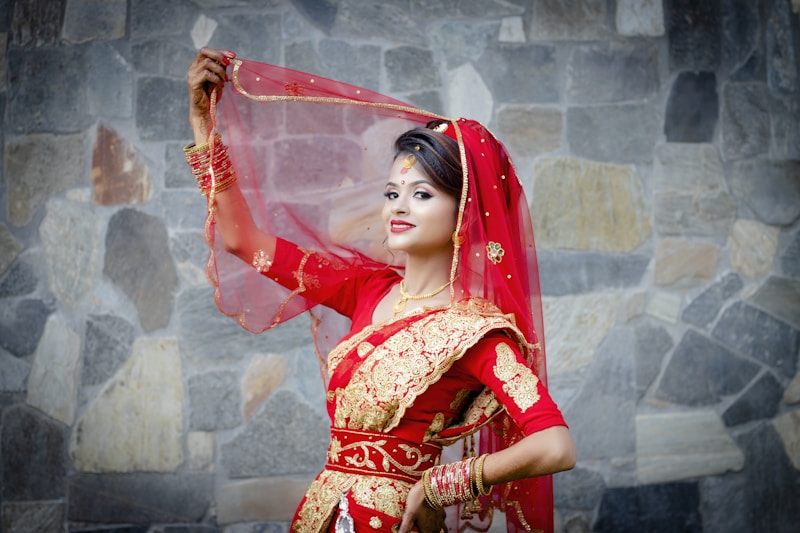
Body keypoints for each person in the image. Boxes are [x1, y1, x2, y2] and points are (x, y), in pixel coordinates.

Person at [185, 48, 576, 533]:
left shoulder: (475, 333)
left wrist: (443, 484)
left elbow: (555, 444)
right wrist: (204, 126)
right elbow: (243, 239)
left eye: (422, 194)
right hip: (317, 516)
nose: (398, 206)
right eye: (393, 192)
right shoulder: (365, 288)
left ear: (465, 210)